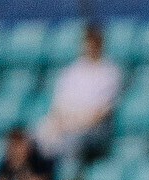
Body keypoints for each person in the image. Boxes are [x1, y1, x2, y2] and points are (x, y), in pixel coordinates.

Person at [33, 23, 119, 168]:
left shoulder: (110, 72)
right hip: (65, 123)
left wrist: (75, 124)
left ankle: (69, 177)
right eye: (87, 42)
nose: (90, 47)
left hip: (92, 129)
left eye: (94, 43)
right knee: (35, 137)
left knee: (72, 141)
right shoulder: (70, 71)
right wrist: (62, 123)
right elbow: (58, 106)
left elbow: (101, 112)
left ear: (100, 44)